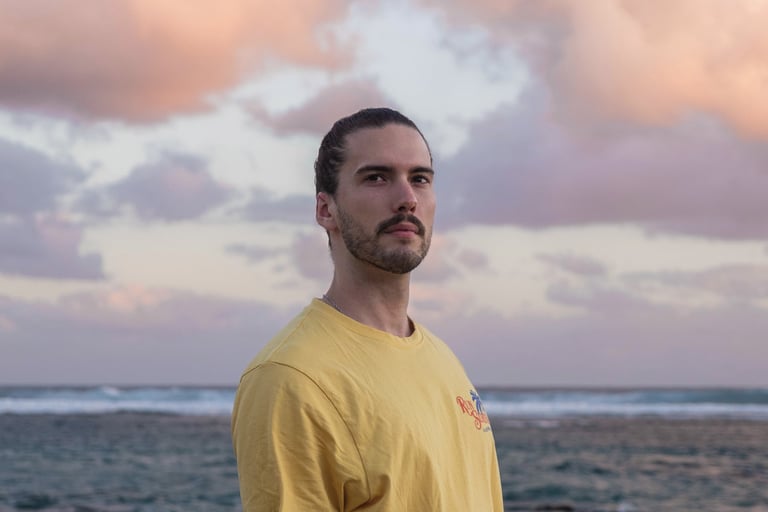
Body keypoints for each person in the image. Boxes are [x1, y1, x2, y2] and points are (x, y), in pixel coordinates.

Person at [231, 107, 504, 511]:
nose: (407, 199)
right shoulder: (291, 378)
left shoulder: (440, 358)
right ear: (327, 210)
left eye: (420, 179)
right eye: (377, 177)